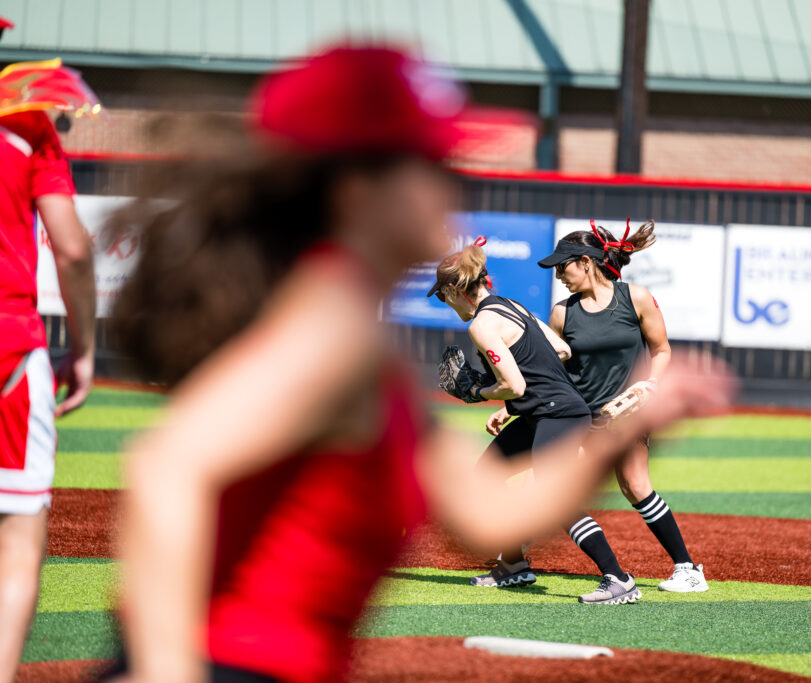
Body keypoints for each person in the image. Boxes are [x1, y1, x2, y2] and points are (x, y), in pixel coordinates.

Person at [110, 46, 734, 683]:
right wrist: (164, 667)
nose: (450, 181)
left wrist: (625, 431)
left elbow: (485, 517)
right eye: (430, 163)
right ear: (357, 189)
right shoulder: (323, 325)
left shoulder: (354, 336)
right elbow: (167, 468)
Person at [429, 241, 639, 604]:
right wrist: (518, 393)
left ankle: (619, 579)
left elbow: (515, 384)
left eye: (443, 296)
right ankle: (512, 565)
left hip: (555, 412)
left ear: (453, 290)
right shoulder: (509, 305)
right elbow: (562, 349)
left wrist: (476, 392)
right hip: (546, 410)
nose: (446, 303)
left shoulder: (481, 325)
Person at [530, 219, 709, 592]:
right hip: (579, 414)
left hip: (629, 414)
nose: (559, 275)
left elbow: (661, 350)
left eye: (563, 266)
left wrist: (650, 386)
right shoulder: (562, 312)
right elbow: (551, 369)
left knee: (635, 485)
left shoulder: (636, 298)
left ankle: (687, 570)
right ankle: (514, 559)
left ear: (585, 262)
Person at [0, 109, 96, 679]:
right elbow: (74, 250)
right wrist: (82, 351)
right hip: (9, 345)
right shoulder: (27, 124)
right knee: (16, 539)